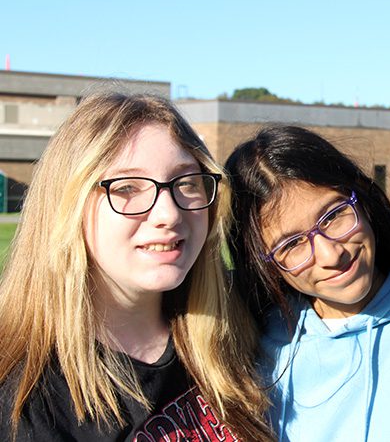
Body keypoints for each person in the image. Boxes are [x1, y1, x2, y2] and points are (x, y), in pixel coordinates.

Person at [0, 92, 272, 441]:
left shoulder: (248, 317)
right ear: (67, 205)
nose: (169, 214)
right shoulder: (23, 398)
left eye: (186, 182)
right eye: (128, 187)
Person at [225, 125, 390, 442]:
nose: (331, 253)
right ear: (267, 264)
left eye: (333, 215)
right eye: (292, 245)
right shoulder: (256, 346)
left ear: (362, 199)